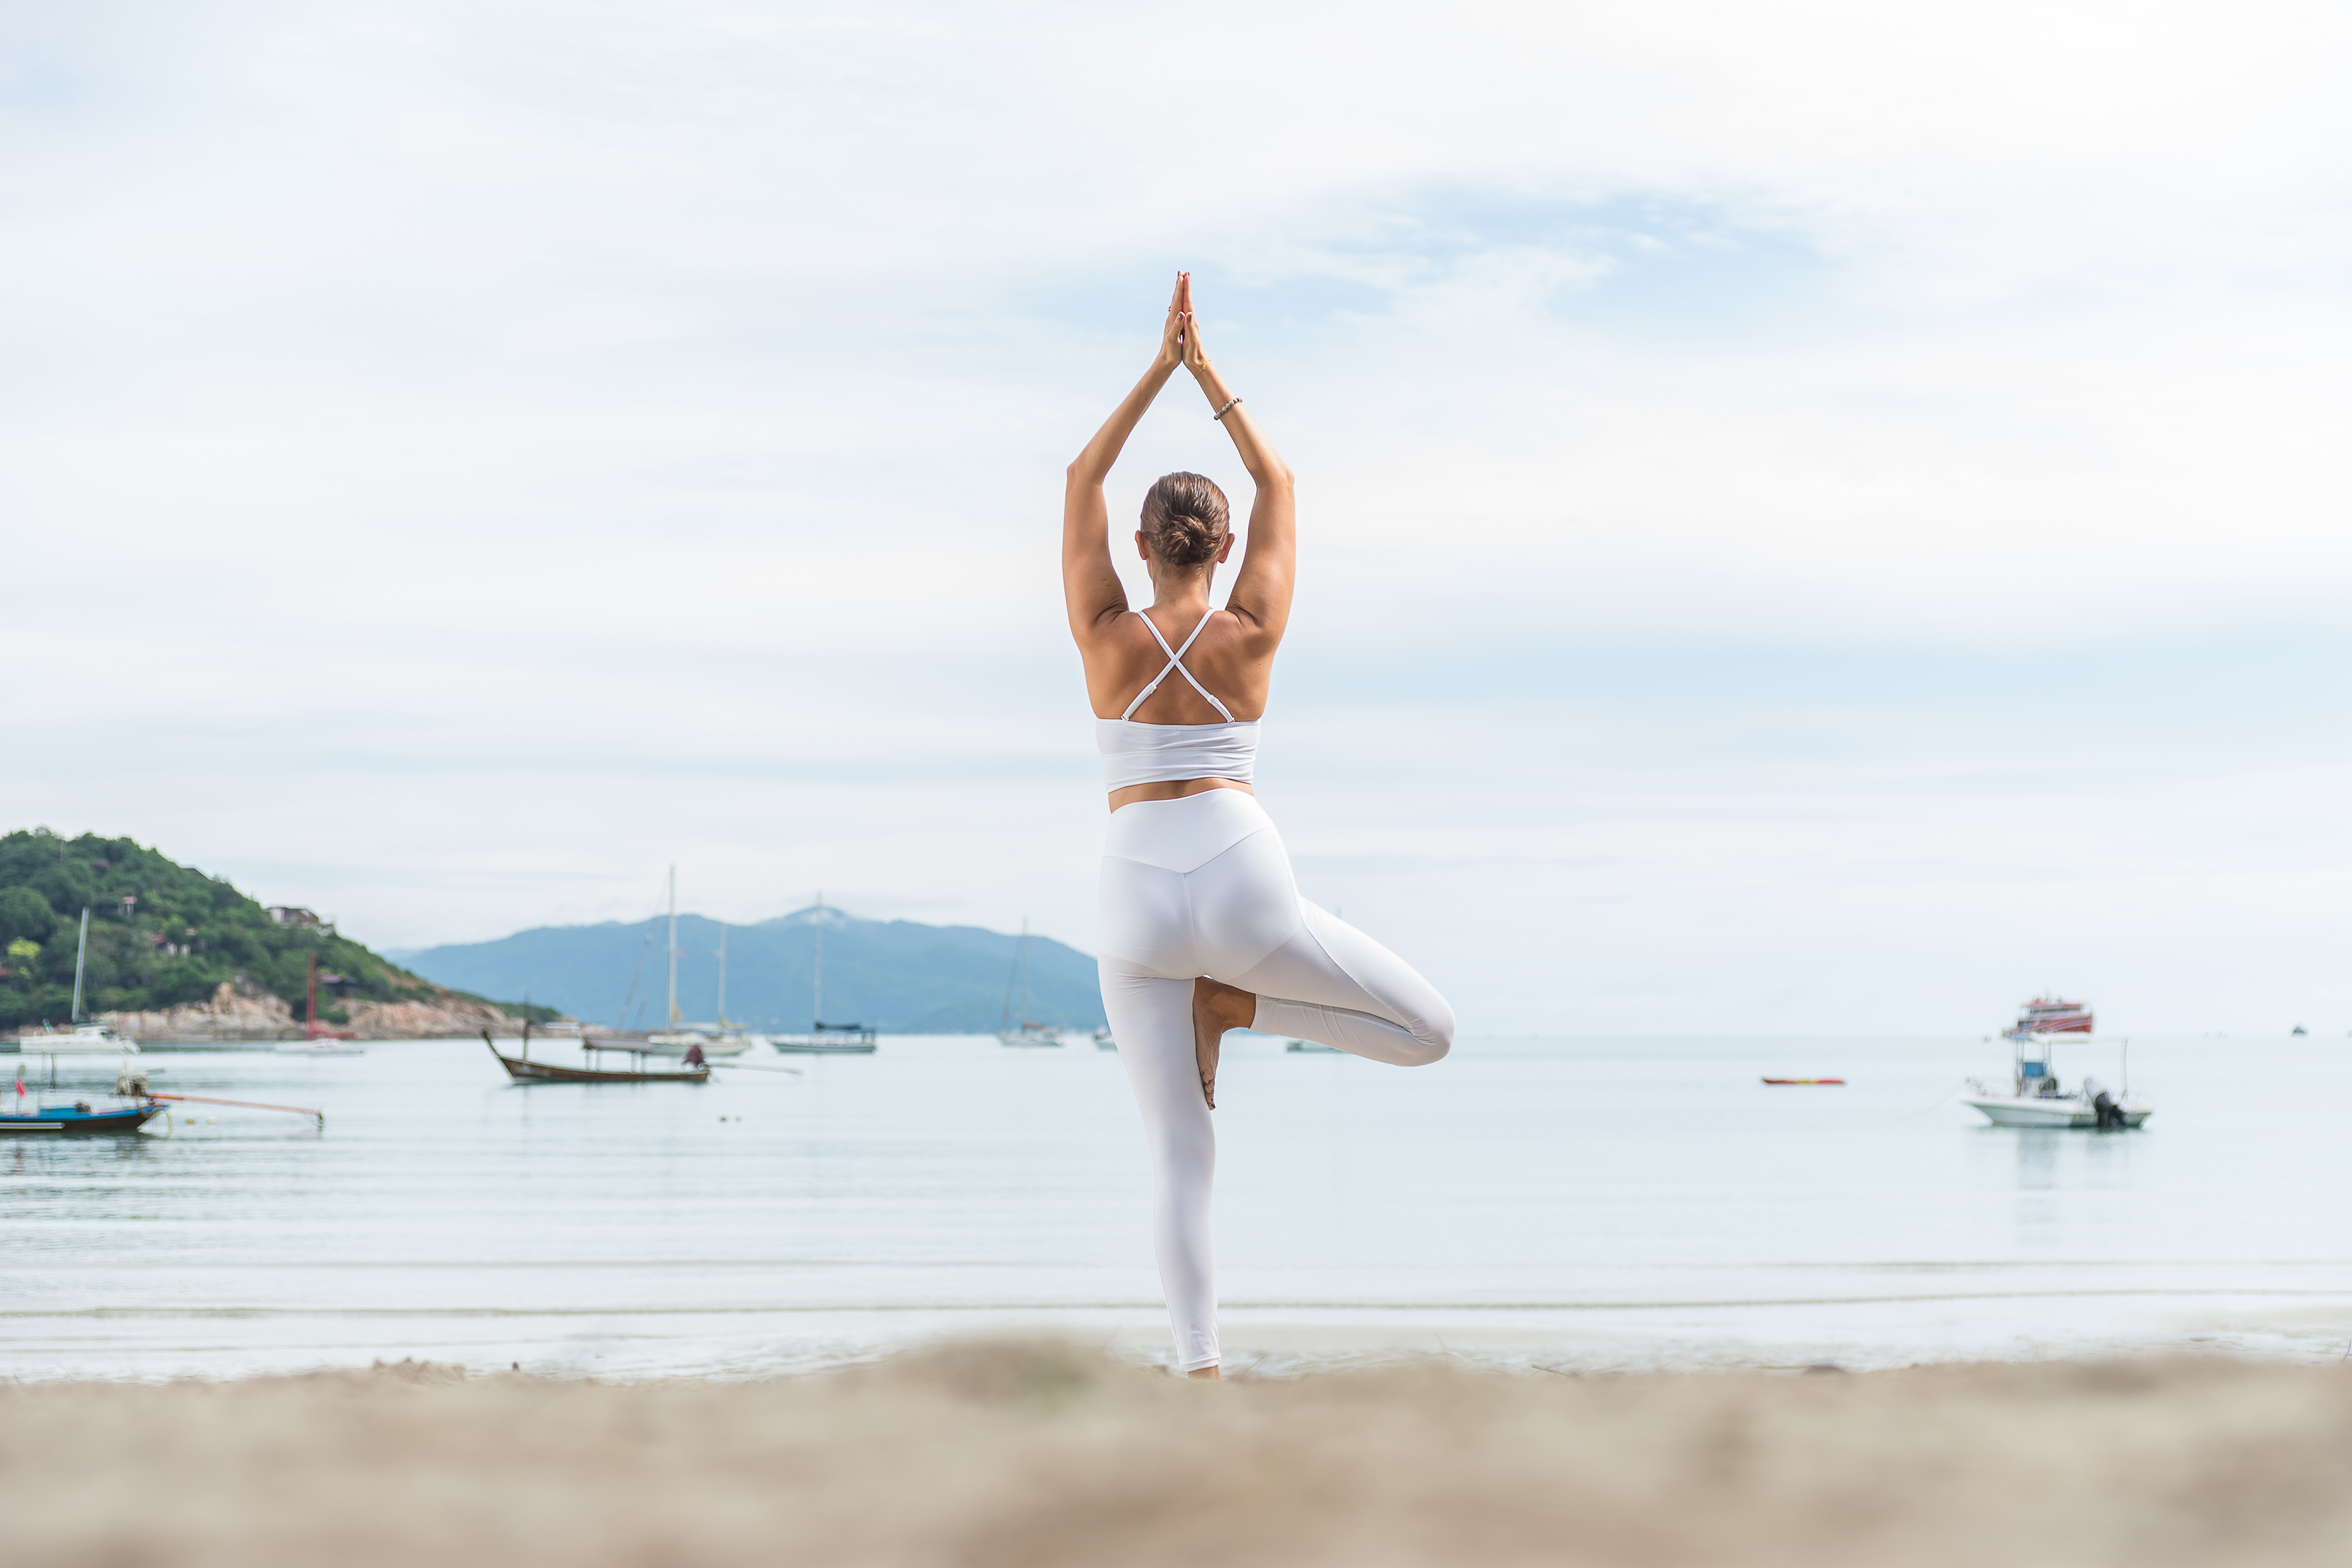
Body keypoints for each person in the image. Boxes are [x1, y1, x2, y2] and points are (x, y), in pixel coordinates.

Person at [1062, 273, 1456, 1381]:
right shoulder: (1253, 626)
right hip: (1242, 875)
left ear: (1141, 544)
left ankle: (1199, 1368)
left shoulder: (1103, 633)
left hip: (1132, 889)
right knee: (1428, 1030)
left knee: (1179, 1157)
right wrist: (1208, 373)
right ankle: (1241, 1004)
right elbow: (1278, 474)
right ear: (1224, 547)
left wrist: (1157, 369)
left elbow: (1080, 476)